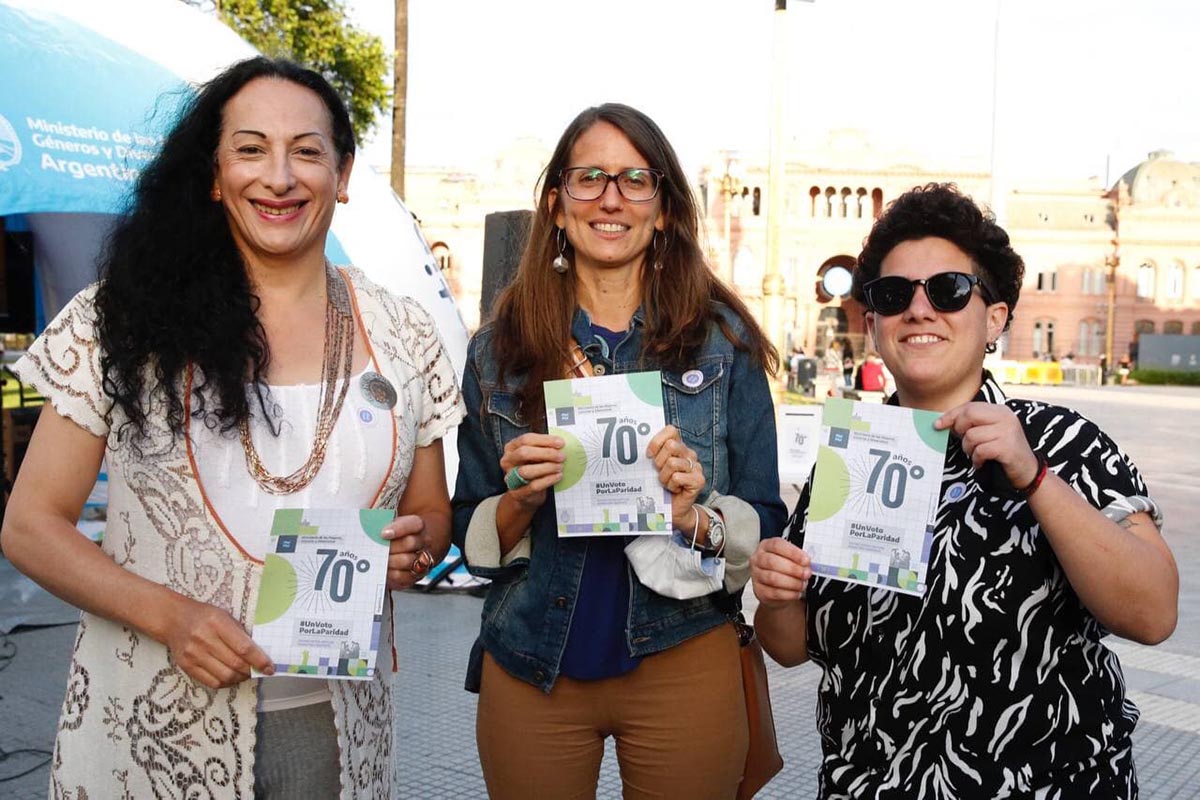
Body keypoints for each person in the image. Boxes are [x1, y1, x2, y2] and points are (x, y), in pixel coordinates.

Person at [0, 57, 463, 798]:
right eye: (250, 149)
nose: (278, 176)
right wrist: (169, 615)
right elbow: (28, 525)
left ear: (342, 176)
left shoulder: (402, 333)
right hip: (148, 730)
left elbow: (430, 510)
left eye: (307, 151)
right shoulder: (120, 320)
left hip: (336, 729)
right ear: (214, 175)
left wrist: (413, 547)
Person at [750, 183, 1178, 798]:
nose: (919, 310)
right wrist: (778, 595)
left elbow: (1154, 612)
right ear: (872, 326)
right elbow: (793, 647)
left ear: (995, 318)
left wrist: (1035, 479)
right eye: (895, 296)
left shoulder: (1065, 441)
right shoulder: (850, 458)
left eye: (948, 290)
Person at [451, 103, 786, 799]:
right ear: (557, 203)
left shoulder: (722, 343)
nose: (611, 197)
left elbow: (765, 513)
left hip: (683, 651)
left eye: (636, 179)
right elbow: (468, 525)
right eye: (590, 178)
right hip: (533, 657)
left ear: (662, 209)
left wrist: (693, 514)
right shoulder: (498, 350)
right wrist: (518, 501)